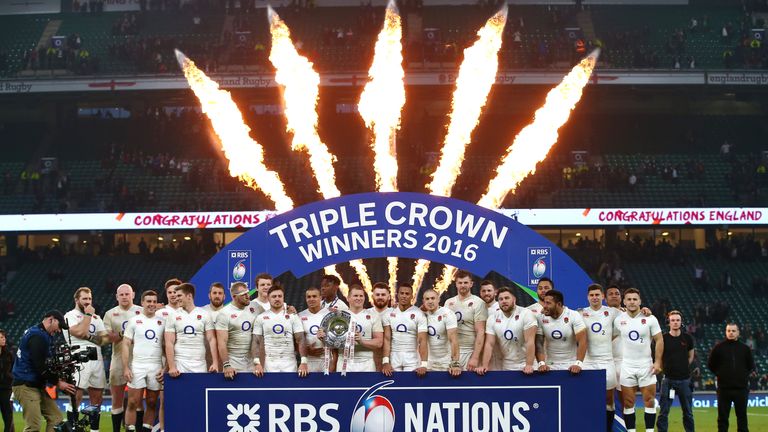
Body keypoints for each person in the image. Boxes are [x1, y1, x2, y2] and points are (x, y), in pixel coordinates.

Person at [12, 311, 76, 432]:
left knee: (56, 419)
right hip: (26, 385)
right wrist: (58, 382)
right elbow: (40, 366)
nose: (59, 331)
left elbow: (46, 364)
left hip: (36, 385)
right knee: (33, 427)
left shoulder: (40, 334)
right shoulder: (38, 336)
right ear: (51, 320)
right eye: (59, 326)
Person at [614, 288, 663, 432]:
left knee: (649, 401)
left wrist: (658, 362)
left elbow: (659, 340)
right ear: (624, 301)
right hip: (627, 366)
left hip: (646, 366)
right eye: (629, 299)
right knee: (628, 403)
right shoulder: (619, 320)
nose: (632, 302)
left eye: (635, 299)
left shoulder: (650, 318)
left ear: (640, 301)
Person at [64, 287, 110, 432]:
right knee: (75, 397)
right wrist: (88, 316)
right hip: (78, 357)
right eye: (84, 298)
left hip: (96, 358)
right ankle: (72, 428)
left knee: (97, 399)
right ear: (77, 300)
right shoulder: (69, 316)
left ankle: (94, 430)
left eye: (89, 299)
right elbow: (80, 331)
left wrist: (90, 337)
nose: (88, 302)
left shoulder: (97, 318)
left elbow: (104, 340)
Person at [579, 284, 621, 431]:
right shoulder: (580, 313)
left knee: (609, 400)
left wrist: (644, 311)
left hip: (606, 361)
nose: (594, 297)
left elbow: (630, 317)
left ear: (603, 296)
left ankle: (608, 429)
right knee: (587, 398)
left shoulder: (613, 312)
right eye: (592, 295)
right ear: (587, 297)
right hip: (587, 361)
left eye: (597, 295)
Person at [122, 290, 165, 432]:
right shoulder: (134, 321)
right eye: (148, 301)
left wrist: (165, 367)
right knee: (133, 402)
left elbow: (167, 346)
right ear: (142, 303)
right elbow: (126, 344)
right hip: (138, 365)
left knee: (152, 402)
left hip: (156, 366)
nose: (151, 304)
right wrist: (126, 367)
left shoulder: (162, 322)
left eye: (154, 301)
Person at [103, 283, 143, 432]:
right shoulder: (110, 313)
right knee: (116, 400)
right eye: (122, 294)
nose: (125, 297)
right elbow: (106, 337)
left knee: (137, 401)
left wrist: (118, 334)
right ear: (117, 297)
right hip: (118, 359)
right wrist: (124, 334)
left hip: (138, 360)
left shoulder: (141, 311)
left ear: (133, 295)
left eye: (127, 294)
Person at [476, 286, 537, 375]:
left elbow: (530, 342)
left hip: (527, 365)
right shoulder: (492, 318)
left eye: (507, 298)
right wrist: (485, 365)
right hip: (507, 366)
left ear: (514, 299)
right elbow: (489, 344)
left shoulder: (526, 314)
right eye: (500, 299)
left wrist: (529, 364)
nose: (503, 301)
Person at [708, 322, 756, 432]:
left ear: (738, 333)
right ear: (725, 332)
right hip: (724, 389)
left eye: (733, 331)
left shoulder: (745, 349)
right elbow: (711, 364)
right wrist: (720, 373)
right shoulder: (718, 348)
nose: (731, 333)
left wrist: (742, 376)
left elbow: (750, 365)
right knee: (723, 418)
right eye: (729, 331)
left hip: (741, 389)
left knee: (742, 417)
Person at [252, 285, 308, 376]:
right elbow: (256, 341)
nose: (277, 299)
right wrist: (257, 363)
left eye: (280, 296)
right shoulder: (261, 317)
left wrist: (304, 362)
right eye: (274, 296)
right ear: (268, 299)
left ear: (283, 298)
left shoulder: (293, 316)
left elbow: (301, 339)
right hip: (270, 363)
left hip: (289, 363)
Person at [164, 283, 219, 376]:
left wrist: (215, 363)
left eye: (179, 295)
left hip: (199, 363)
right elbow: (169, 342)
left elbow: (211, 339)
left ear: (189, 296)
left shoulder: (205, 314)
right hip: (180, 363)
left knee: (199, 390)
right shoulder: (172, 316)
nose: (176, 298)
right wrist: (172, 366)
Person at [657, 310, 695, 432]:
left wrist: (683, 367)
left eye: (677, 320)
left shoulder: (688, 338)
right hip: (668, 380)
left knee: (688, 412)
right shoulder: (663, 339)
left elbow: (691, 356)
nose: (675, 322)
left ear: (681, 322)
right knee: (663, 412)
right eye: (673, 320)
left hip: (684, 380)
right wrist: (666, 369)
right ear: (669, 322)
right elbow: (659, 357)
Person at [330, 284, 382, 373]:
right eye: (355, 296)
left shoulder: (373, 316)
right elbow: (331, 342)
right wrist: (344, 340)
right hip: (344, 361)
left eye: (361, 296)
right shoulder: (339, 316)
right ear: (348, 298)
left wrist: (362, 341)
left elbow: (379, 343)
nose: (359, 298)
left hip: (367, 362)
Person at [216, 282, 262, 379]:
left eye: (248, 293)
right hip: (233, 363)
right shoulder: (224, 314)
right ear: (234, 296)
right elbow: (221, 343)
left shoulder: (255, 306)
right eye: (243, 294)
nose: (248, 296)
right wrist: (227, 365)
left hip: (252, 362)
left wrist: (287, 309)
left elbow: (270, 315)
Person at [381, 283, 428, 376]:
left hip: (412, 356)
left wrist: (424, 364)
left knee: (410, 386)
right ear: (397, 295)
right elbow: (387, 339)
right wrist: (385, 362)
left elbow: (423, 340)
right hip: (394, 355)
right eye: (402, 293)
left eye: (407, 294)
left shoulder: (419, 314)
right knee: (394, 386)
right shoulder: (388, 313)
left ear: (412, 296)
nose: (404, 296)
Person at [535, 289, 587, 373]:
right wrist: (541, 363)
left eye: (548, 303)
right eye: (544, 302)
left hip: (571, 365)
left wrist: (578, 363)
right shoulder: (541, 317)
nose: (544, 306)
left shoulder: (573, 315)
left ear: (558, 304)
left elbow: (582, 341)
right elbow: (538, 343)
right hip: (549, 365)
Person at [445, 270, 487, 371]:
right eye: (460, 283)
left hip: (469, 351)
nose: (463, 285)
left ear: (471, 284)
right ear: (456, 284)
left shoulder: (478, 303)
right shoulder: (448, 302)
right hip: (450, 351)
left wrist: (475, 357)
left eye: (465, 282)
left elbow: (481, 332)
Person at [422, 289, 460, 375]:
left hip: (445, 362)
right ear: (423, 301)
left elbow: (453, 340)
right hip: (428, 363)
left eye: (433, 298)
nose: (430, 301)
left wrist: (455, 363)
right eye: (427, 299)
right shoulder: (421, 315)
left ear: (438, 299)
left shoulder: (448, 314)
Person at [298, 287, 329, 373]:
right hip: (309, 360)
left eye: (314, 296)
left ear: (320, 298)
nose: (311, 299)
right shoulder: (300, 316)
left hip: (327, 359)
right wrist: (307, 350)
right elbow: (296, 341)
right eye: (309, 297)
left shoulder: (329, 314)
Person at [370, 282, 391, 370]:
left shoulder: (395, 313)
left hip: (391, 361)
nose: (380, 297)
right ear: (372, 296)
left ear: (389, 297)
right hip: (370, 360)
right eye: (377, 294)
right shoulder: (365, 313)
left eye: (383, 294)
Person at [0, 329, 14, 432]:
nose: (4, 339)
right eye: (1, 337)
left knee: (8, 417)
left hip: (6, 388)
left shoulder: (9, 353)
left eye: (4, 337)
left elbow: (14, 369)